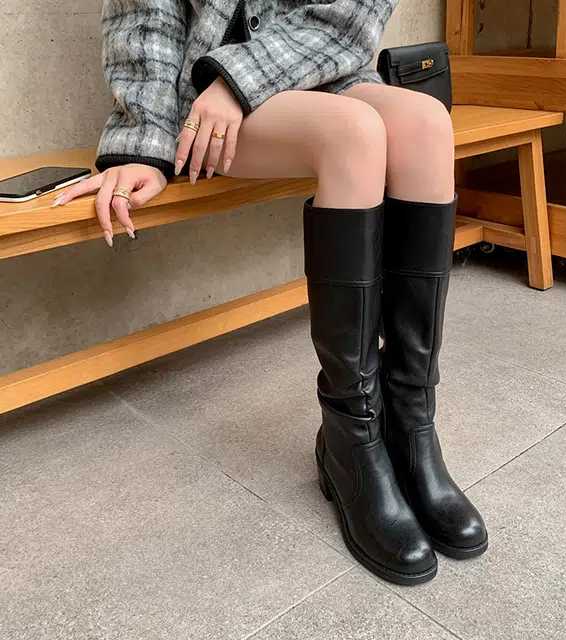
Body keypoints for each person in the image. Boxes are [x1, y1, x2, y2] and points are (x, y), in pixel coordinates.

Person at [55, 0, 487, 585]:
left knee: (427, 122)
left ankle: (411, 425)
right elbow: (145, 16)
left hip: (323, 65)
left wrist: (244, 78)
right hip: (207, 102)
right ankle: (352, 439)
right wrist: (142, 143)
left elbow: (355, 11)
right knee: (353, 132)